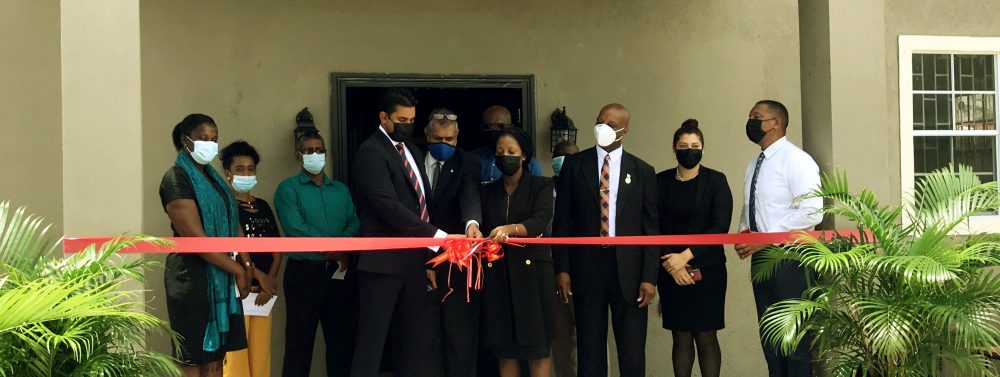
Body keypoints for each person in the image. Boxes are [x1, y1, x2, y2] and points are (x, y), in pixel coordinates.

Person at [350, 88, 460, 377]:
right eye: (401, 119)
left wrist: (427, 258)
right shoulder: (370, 152)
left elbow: (423, 203)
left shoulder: (411, 149)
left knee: (416, 343)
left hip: (414, 265)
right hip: (382, 267)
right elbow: (389, 207)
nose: (407, 125)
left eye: (411, 119)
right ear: (383, 118)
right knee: (372, 344)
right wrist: (439, 238)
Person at [160, 114, 273, 377]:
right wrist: (237, 270)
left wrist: (246, 263)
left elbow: (233, 224)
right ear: (184, 140)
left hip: (220, 276)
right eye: (203, 139)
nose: (210, 145)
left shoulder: (214, 179)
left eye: (214, 140)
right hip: (192, 280)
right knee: (194, 360)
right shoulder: (176, 179)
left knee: (216, 359)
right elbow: (197, 239)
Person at [552, 103, 659, 377]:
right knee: (590, 348)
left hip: (630, 270)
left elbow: (651, 227)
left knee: (632, 350)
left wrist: (650, 276)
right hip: (587, 267)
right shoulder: (575, 166)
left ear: (625, 129)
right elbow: (563, 220)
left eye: (611, 125)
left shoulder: (643, 171)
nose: (603, 128)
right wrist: (562, 269)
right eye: (600, 121)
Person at [733, 100, 822, 377]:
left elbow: (812, 210)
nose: (751, 121)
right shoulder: (753, 164)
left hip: (790, 260)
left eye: (756, 117)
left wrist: (767, 238)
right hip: (761, 259)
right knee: (771, 338)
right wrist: (744, 234)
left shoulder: (797, 160)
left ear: (776, 123)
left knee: (794, 341)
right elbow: (751, 208)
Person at [274, 131, 361, 377]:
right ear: (298, 156)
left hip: (339, 273)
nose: (315, 154)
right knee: (299, 346)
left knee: (341, 344)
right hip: (304, 275)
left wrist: (341, 248)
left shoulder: (340, 190)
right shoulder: (288, 189)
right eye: (309, 150)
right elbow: (295, 227)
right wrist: (333, 248)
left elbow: (353, 224)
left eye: (319, 149)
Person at [655, 119, 732, 377]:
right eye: (683, 145)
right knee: (680, 336)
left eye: (695, 145)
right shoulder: (659, 182)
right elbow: (652, 225)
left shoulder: (716, 181)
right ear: (674, 148)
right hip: (670, 270)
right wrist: (671, 263)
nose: (689, 150)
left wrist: (685, 257)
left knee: (706, 336)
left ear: (703, 148)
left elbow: (720, 227)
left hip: (708, 271)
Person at [481, 129, 556, 377]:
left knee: (538, 351)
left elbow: (540, 220)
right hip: (498, 276)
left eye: (511, 152)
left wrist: (510, 229)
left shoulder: (542, 185)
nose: (505, 157)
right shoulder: (488, 191)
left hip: (533, 277)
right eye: (500, 152)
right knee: (506, 352)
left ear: (524, 155)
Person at [421, 108, 485, 377]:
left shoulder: (468, 163)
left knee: (460, 338)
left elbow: (469, 195)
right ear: (426, 134)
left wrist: (472, 224)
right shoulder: (408, 159)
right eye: (437, 140)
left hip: (456, 262)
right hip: (416, 259)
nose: (444, 145)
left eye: (449, 140)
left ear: (457, 138)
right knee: (423, 339)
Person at [219, 141, 282, 377]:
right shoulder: (225, 207)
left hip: (264, 294)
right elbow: (234, 248)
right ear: (227, 174)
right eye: (240, 169)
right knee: (236, 360)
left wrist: (269, 283)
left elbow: (278, 250)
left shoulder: (263, 206)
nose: (246, 173)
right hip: (239, 291)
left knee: (260, 355)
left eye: (250, 168)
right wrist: (258, 276)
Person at [472, 105, 543, 185]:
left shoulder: (529, 163)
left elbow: (537, 190)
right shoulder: (471, 159)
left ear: (511, 127)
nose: (493, 130)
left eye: (500, 126)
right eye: (488, 126)